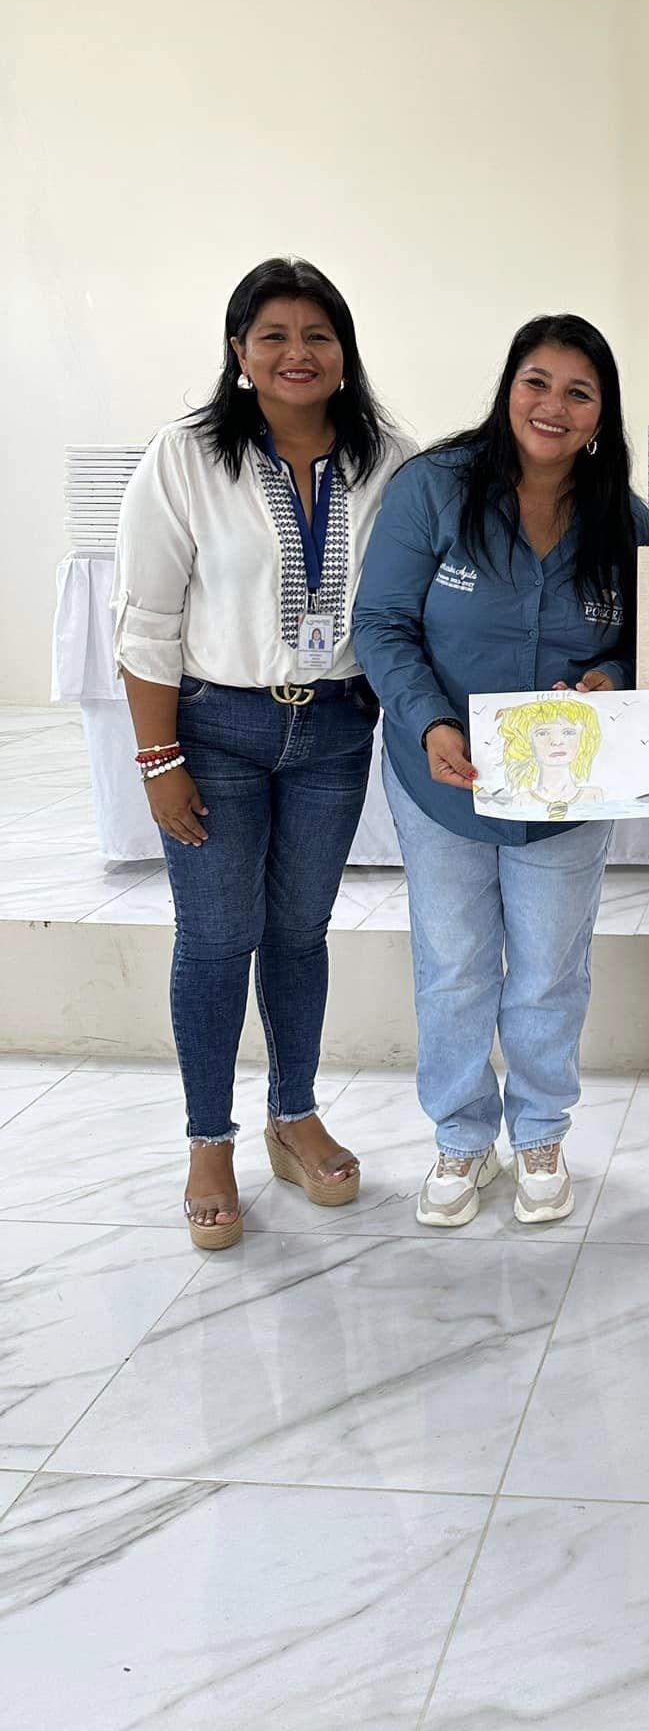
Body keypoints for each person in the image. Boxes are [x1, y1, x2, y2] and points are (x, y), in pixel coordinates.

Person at [113, 257, 414, 1250]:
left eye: (318, 334)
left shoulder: (389, 459)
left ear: (345, 351)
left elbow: (412, 595)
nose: (298, 353)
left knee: (299, 931)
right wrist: (158, 759)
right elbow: (148, 619)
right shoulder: (186, 457)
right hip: (217, 730)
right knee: (215, 936)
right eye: (274, 335)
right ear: (239, 352)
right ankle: (209, 1139)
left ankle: (294, 1114)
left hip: (333, 731)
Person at [352, 314, 649, 1231]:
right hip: (442, 780)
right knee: (453, 965)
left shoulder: (624, 519)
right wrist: (429, 721)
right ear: (508, 388)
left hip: (569, 789)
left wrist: (613, 677)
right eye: (537, 382)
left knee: (551, 970)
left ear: (601, 414)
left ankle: (541, 1131)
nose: (553, 406)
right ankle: (459, 1133)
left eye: (578, 392)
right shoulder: (433, 489)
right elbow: (381, 623)